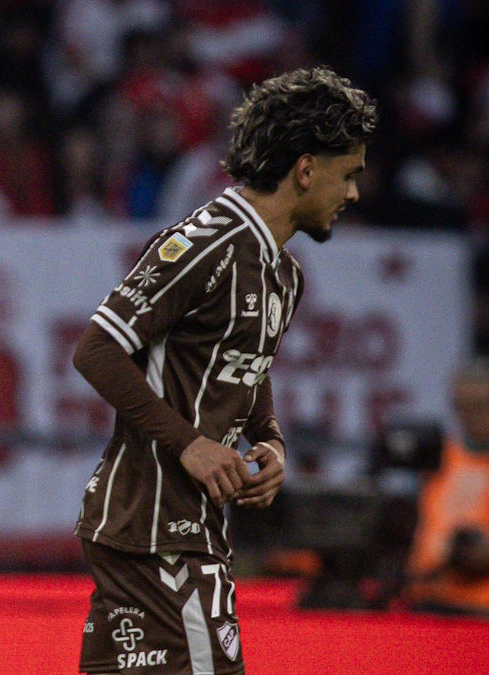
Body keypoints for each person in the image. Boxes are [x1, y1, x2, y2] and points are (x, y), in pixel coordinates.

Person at [71, 67, 376, 674]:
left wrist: (270, 438)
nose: (353, 195)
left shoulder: (282, 275)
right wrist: (190, 445)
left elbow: (248, 364)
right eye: (348, 175)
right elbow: (97, 350)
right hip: (156, 527)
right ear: (306, 169)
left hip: (181, 526)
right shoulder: (205, 243)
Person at [405, 358, 489, 616]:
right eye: (463, 407)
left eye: (480, 406)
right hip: (429, 596)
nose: (471, 416)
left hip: (487, 605)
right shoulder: (438, 456)